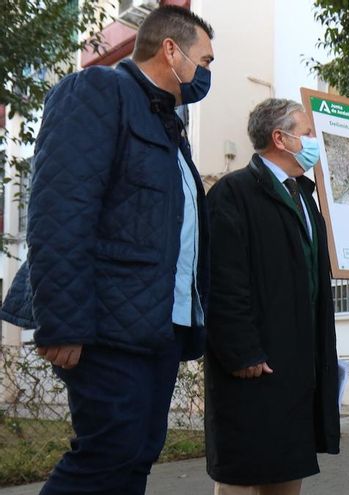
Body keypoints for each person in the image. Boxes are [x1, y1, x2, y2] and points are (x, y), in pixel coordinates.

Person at [0, 6, 215, 494]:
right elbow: (60, 212)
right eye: (205, 60)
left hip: (157, 325)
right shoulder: (96, 92)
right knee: (106, 453)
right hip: (104, 324)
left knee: (136, 455)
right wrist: (63, 321)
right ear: (171, 50)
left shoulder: (167, 124)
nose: (206, 73)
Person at [204, 98, 341, 495]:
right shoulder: (233, 193)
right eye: (307, 132)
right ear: (280, 138)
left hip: (296, 364)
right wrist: (242, 351)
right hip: (253, 365)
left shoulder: (302, 197)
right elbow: (222, 281)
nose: (314, 140)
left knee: (287, 465)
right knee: (243, 473)